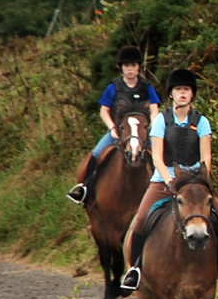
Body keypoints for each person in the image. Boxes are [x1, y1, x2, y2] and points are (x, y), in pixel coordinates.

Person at [119, 69, 218, 293]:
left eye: (187, 90)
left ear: (192, 95)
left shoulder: (201, 121)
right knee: (141, 220)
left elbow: (206, 156)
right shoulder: (162, 120)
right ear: (171, 94)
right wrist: (170, 179)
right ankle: (134, 270)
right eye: (178, 90)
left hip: (194, 182)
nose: (183, 93)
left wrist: (201, 178)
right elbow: (157, 156)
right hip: (164, 180)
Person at [67, 44, 160, 204]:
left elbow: (154, 109)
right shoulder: (113, 87)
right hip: (119, 130)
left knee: (162, 154)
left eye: (133, 65)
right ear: (121, 67)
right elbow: (104, 110)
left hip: (142, 131)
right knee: (96, 154)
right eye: (126, 65)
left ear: (138, 67)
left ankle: (171, 187)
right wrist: (112, 128)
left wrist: (151, 127)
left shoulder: (146, 86)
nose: (130, 69)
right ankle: (84, 189)